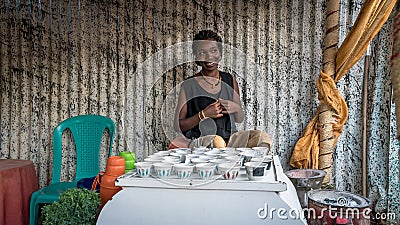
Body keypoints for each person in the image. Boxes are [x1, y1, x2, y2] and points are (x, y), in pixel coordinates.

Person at [170, 30, 270, 150]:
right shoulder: (189, 85)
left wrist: (236, 108)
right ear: (196, 56)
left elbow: (239, 118)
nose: (209, 57)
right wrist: (203, 114)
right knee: (217, 142)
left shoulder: (229, 79)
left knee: (261, 137)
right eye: (202, 52)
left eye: (214, 51)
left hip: (231, 140)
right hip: (203, 141)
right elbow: (178, 125)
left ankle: (254, 166)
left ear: (220, 53)